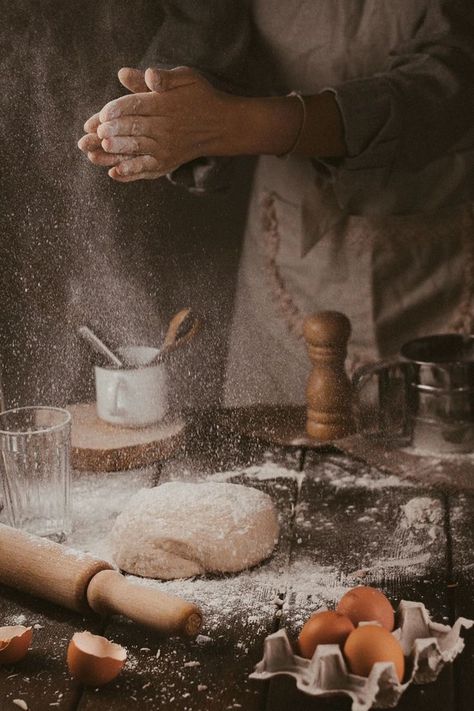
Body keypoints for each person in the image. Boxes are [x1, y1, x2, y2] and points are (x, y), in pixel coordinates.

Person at [78, 1, 474, 406]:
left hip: (440, 258)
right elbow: (205, 31)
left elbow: (451, 76)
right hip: (287, 252)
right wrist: (170, 108)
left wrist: (240, 124)